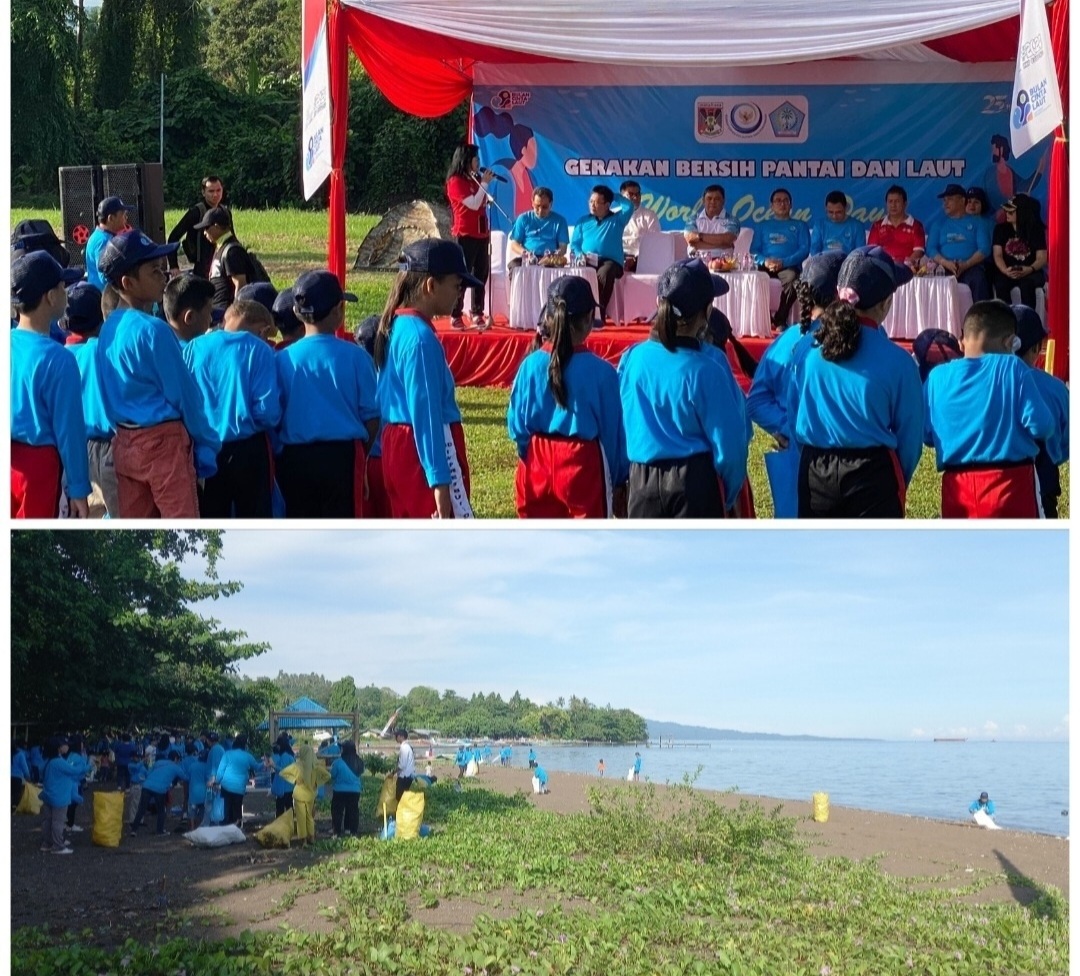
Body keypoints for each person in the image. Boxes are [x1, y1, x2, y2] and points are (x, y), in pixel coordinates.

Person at [788, 246, 923, 518]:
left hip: (814, 470)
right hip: (873, 475)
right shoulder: (899, 361)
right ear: (886, 303)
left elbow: (794, 417)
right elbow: (910, 441)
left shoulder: (805, 349)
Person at [95, 231, 220, 517]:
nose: (164, 275)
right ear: (128, 283)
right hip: (164, 444)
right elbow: (184, 395)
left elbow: (105, 391)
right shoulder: (154, 330)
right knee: (182, 523)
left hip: (124, 442)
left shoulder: (109, 328)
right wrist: (207, 442)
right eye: (154, 271)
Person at [618, 258, 749, 518]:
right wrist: (730, 494)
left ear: (659, 305)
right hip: (695, 484)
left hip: (641, 482)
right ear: (708, 312)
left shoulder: (632, 358)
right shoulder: (707, 369)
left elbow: (620, 425)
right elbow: (731, 447)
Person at [507, 275, 628, 518]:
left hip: (536, 461)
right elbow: (613, 437)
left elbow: (516, 426)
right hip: (582, 465)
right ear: (588, 321)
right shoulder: (602, 373)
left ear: (549, 318)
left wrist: (529, 454)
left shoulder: (529, 365)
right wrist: (617, 480)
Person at [923, 300, 1054, 518]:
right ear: (1010, 343)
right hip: (1011, 487)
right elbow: (1043, 426)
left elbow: (927, 435)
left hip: (956, 491)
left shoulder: (936, 377)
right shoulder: (1013, 367)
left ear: (962, 338)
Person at [374, 239, 476, 518]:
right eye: (457, 286)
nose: (460, 295)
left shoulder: (396, 325)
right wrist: (440, 482)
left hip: (397, 446)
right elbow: (427, 415)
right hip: (424, 452)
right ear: (431, 286)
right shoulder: (421, 340)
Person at [746, 252, 845, 519]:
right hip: (815, 461)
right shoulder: (792, 340)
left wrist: (786, 427)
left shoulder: (789, 339)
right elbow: (755, 400)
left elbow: (755, 400)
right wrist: (786, 426)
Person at [275, 270, 379, 518]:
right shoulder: (357, 357)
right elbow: (373, 416)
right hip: (343, 456)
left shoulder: (281, 359)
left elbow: (275, 414)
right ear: (338, 311)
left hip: (294, 458)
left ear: (297, 313)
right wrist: (362, 454)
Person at [10, 251, 91, 519]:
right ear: (51, 296)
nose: (66, 291)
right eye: (63, 286)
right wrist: (79, 489)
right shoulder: (60, 359)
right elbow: (70, 431)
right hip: (39, 465)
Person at [184, 299, 281, 518]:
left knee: (210, 521)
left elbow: (183, 400)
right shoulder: (259, 350)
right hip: (249, 449)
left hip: (204, 449)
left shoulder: (194, 347)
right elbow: (268, 412)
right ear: (262, 330)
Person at [60, 282, 119, 518]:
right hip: (110, 448)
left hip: (75, 455)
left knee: (87, 517)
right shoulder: (103, 350)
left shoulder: (62, 356)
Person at [1010, 304, 1068, 519]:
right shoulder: (1056, 389)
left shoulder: (985, 386)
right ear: (1037, 348)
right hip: (1045, 479)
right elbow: (1066, 444)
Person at [444, 142, 495, 330]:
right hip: (465, 233)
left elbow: (481, 202)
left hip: (482, 232)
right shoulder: (456, 182)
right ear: (466, 160)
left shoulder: (475, 179)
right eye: (476, 159)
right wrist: (485, 184)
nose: (478, 163)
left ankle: (477, 311)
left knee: (481, 273)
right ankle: (455, 313)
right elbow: (473, 204)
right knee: (462, 274)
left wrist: (483, 186)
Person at [570, 185, 636, 322]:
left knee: (604, 273)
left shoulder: (618, 219)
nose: (592, 205)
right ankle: (579, 313)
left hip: (611, 262)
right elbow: (575, 243)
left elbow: (629, 206)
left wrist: (613, 196)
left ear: (607, 205)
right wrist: (579, 254)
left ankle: (598, 314)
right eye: (590, 201)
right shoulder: (583, 221)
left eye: (596, 202)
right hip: (587, 260)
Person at [751, 187, 811, 328]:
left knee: (795, 281)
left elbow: (804, 250)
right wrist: (765, 261)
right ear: (771, 206)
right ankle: (760, 320)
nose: (782, 204)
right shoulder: (762, 226)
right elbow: (753, 250)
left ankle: (779, 319)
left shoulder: (800, 225)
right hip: (765, 265)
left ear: (791, 205)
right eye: (778, 201)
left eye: (785, 201)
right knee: (752, 279)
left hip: (788, 266)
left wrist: (784, 262)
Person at [925, 183, 992, 302]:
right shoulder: (938, 224)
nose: (945, 203)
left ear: (962, 200)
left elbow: (984, 249)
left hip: (971, 266)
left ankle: (981, 318)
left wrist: (965, 265)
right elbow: (931, 249)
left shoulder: (978, 222)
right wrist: (946, 262)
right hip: (944, 267)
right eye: (944, 200)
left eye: (950, 199)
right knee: (932, 281)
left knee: (979, 279)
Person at [991, 195, 1048, 309]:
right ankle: (1006, 320)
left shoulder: (1035, 230)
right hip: (1008, 270)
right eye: (1006, 210)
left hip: (1031, 271)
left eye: (1011, 212)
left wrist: (1030, 269)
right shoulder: (1000, 229)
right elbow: (997, 255)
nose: (1007, 213)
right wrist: (1005, 271)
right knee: (1001, 284)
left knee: (1027, 285)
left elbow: (1042, 257)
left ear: (1022, 212)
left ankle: (1028, 320)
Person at [195, 206, 254, 311]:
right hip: (218, 311)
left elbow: (240, 284)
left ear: (216, 226)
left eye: (206, 228)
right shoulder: (221, 247)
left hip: (226, 312)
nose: (204, 233)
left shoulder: (232, 251)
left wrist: (236, 312)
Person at [167, 175, 225, 279]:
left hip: (221, 262)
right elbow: (173, 237)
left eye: (218, 190)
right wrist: (174, 266)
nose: (215, 194)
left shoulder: (224, 212)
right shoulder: (196, 212)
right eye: (211, 191)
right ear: (203, 192)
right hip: (201, 266)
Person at [278, 744, 330, 845]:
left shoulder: (297, 765)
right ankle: (312, 837)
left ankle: (303, 840)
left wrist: (294, 780)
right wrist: (317, 783)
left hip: (299, 795)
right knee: (309, 816)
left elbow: (282, 773)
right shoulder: (315, 766)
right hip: (311, 794)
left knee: (301, 817)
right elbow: (328, 775)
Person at [39, 737, 82, 854]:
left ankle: (47, 843)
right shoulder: (58, 762)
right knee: (58, 822)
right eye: (65, 744)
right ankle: (58, 846)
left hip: (48, 795)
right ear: (58, 748)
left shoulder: (47, 761)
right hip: (59, 796)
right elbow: (74, 771)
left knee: (47, 821)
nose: (67, 746)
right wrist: (86, 765)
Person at [508, 187, 569, 269]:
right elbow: (514, 244)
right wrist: (526, 253)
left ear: (551, 204)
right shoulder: (523, 219)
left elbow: (563, 248)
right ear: (532, 203)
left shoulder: (560, 221)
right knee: (514, 265)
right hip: (529, 258)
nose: (540, 210)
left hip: (550, 259)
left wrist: (553, 255)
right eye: (537, 206)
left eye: (544, 207)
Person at [129, 750, 188, 836]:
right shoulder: (176, 767)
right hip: (160, 789)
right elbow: (185, 778)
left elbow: (149, 772)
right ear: (175, 759)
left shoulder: (158, 762)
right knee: (161, 810)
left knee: (141, 809)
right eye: (178, 759)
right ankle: (159, 831)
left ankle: (133, 830)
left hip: (147, 786)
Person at [210, 734, 261, 829]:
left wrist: (216, 781)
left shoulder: (227, 754)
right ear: (245, 745)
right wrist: (266, 763)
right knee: (237, 809)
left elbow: (221, 771)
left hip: (226, 786)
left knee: (227, 809)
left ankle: (226, 828)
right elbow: (257, 767)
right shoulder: (248, 756)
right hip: (239, 787)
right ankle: (237, 829)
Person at [867, 185, 925, 268]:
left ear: (905, 204)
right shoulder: (877, 226)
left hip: (906, 269)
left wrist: (905, 264)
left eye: (897, 201)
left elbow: (919, 251)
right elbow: (872, 251)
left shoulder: (916, 225)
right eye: (890, 201)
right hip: (883, 269)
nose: (893, 205)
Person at [84, 197, 131, 290]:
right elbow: (105, 276)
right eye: (123, 214)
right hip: (102, 297)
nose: (126, 217)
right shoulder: (103, 241)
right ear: (111, 218)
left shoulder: (100, 235)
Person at [683, 184, 740, 261]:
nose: (712, 202)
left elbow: (727, 240)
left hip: (723, 264)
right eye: (709, 198)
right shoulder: (693, 219)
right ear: (703, 201)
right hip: (696, 264)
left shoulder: (732, 220)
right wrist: (721, 245)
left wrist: (700, 238)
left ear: (723, 201)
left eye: (717, 199)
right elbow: (690, 239)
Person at [162, 273, 215, 349]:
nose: (211, 319)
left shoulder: (160, 345)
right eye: (209, 313)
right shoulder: (196, 352)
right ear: (190, 317)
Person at [620, 180, 660, 272]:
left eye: (638, 194)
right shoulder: (613, 215)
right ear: (621, 197)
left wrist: (635, 259)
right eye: (630, 194)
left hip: (640, 259)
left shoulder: (649, 216)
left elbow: (654, 243)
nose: (635, 197)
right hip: (617, 258)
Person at [809, 191, 865, 257]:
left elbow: (860, 253)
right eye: (830, 212)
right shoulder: (819, 225)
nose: (834, 216)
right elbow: (814, 251)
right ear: (825, 208)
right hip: (824, 263)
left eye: (838, 212)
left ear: (846, 207)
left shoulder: (857, 226)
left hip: (847, 264)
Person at [329, 741, 364, 838]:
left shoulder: (338, 762)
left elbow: (333, 775)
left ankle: (337, 832)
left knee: (337, 811)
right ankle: (352, 831)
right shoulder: (359, 761)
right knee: (353, 811)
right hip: (355, 790)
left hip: (339, 791)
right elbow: (361, 772)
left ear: (344, 750)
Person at [270, 733, 296, 819]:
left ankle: (280, 826)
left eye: (278, 745)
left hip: (284, 787)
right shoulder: (290, 755)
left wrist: (273, 765)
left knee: (280, 809)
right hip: (289, 786)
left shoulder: (284, 756)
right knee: (289, 807)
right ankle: (290, 824)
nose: (277, 747)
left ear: (281, 746)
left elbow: (283, 771)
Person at [394, 728, 415, 801]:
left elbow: (402, 765)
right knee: (403, 796)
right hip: (407, 776)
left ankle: (401, 811)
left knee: (400, 796)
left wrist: (393, 773)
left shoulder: (404, 748)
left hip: (405, 776)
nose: (396, 738)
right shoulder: (407, 746)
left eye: (397, 736)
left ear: (401, 736)